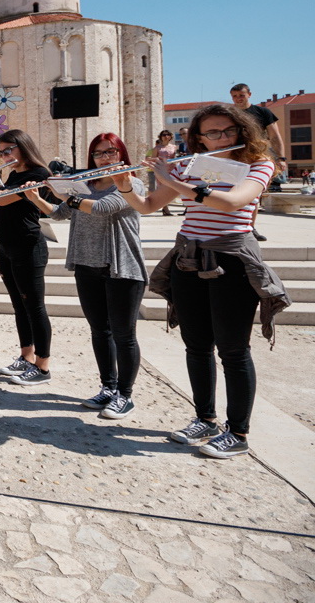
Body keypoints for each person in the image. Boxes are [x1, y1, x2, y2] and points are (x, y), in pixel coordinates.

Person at [116, 104, 287, 458]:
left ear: (242, 131)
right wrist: (125, 187)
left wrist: (174, 181)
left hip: (232, 260)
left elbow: (233, 202)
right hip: (188, 259)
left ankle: (237, 432)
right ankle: (205, 418)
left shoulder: (258, 163)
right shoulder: (189, 165)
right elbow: (147, 205)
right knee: (196, 345)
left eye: (228, 131)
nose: (221, 138)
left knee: (233, 350)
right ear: (199, 137)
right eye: (212, 133)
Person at [23, 133, 147, 418]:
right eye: (98, 154)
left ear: (121, 153)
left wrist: (69, 194)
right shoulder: (86, 185)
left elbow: (102, 208)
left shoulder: (130, 183)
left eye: (110, 152)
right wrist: (35, 198)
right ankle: (108, 387)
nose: (104, 158)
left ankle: (125, 395)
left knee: (124, 335)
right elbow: (58, 214)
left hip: (121, 267)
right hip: (86, 266)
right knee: (99, 331)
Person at [0, 130, 54, 385]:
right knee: (19, 305)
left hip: (28, 246)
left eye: (9, 150)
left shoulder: (38, 173)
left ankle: (43, 366)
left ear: (23, 147)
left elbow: (1, 199)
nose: (5, 156)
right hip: (6, 244)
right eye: (1, 152)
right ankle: (26, 356)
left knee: (34, 307)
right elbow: (0, 202)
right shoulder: (14, 174)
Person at [231, 83, 284, 241]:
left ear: (249, 95)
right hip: (234, 156)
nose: (238, 99)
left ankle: (250, 227)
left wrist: (281, 158)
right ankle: (232, 227)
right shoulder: (229, 114)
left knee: (254, 194)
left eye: (241, 95)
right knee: (231, 192)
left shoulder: (262, 112)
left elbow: (275, 136)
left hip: (257, 156)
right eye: (235, 96)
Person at [148, 130, 178, 215]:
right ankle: (165, 208)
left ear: (171, 136)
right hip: (161, 170)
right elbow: (153, 159)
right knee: (162, 189)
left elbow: (176, 158)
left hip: (172, 170)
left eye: (168, 134)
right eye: (164, 135)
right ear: (160, 137)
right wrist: (158, 161)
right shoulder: (157, 148)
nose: (166, 136)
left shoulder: (174, 147)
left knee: (172, 188)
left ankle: (165, 207)